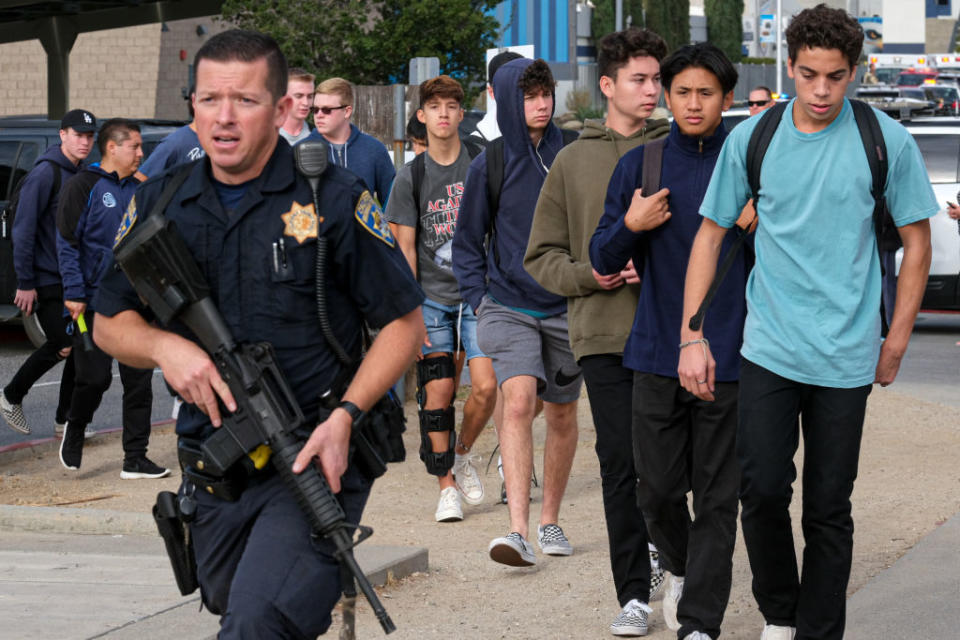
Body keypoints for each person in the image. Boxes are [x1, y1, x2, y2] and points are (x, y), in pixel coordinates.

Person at [92, 30, 424, 638]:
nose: (224, 117)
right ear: (190, 106)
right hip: (215, 470)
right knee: (230, 598)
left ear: (280, 109)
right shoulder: (163, 204)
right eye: (209, 99)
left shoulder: (333, 200)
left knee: (256, 622)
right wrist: (167, 348)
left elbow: (405, 326)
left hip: (314, 454)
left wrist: (347, 415)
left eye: (244, 101)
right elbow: (108, 322)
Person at [679, 6, 935, 639]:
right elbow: (710, 235)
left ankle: (818, 632)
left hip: (847, 354)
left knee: (827, 508)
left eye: (836, 77)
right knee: (762, 492)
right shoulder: (754, 138)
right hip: (769, 345)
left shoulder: (885, 141)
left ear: (855, 72)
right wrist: (692, 334)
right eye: (809, 74)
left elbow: (917, 242)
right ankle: (781, 613)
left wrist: (896, 339)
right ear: (789, 66)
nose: (822, 91)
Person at [591, 42, 742, 640]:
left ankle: (700, 622)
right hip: (654, 352)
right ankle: (677, 566)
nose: (693, 103)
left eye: (706, 92)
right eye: (682, 91)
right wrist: (630, 225)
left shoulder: (748, 159)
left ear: (726, 98)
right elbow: (603, 257)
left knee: (717, 497)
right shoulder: (642, 165)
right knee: (653, 491)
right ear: (669, 96)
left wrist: (758, 222)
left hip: (731, 355)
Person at [524, 26, 670, 637]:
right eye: (639, 79)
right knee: (618, 462)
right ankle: (634, 591)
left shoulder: (684, 147)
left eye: (657, 78)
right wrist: (595, 272)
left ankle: (676, 559)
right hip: (603, 334)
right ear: (606, 85)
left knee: (668, 467)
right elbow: (540, 258)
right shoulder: (571, 159)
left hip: (673, 334)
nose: (652, 90)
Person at [452, 58, 581, 567]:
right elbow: (466, 242)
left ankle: (550, 521)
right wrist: (479, 301)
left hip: (567, 305)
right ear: (509, 100)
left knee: (565, 411)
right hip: (505, 304)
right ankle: (518, 530)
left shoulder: (573, 150)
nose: (542, 104)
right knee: (521, 399)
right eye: (530, 96)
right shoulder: (493, 161)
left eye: (546, 93)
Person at [384, 75, 496, 523]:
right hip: (430, 298)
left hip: (477, 292)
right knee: (439, 390)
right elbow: (405, 250)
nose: (445, 113)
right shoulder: (410, 176)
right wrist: (410, 318)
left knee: (486, 387)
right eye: (436, 106)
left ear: (460, 113)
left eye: (453, 105)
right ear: (423, 116)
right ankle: (445, 483)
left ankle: (462, 453)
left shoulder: (481, 163)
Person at [54, 118, 169, 478]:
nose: (140, 153)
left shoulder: (141, 188)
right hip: (91, 299)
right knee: (95, 378)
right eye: (134, 146)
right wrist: (73, 292)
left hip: (135, 301)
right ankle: (75, 426)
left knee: (139, 381)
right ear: (112, 148)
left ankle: (135, 458)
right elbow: (67, 243)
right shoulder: (82, 186)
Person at [0, 109, 96, 436]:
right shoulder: (45, 174)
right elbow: (23, 231)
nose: (85, 141)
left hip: (72, 280)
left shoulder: (79, 173)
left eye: (89, 136)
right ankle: (11, 395)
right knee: (63, 342)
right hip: (47, 280)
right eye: (78, 135)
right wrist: (25, 282)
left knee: (80, 346)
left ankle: (65, 421)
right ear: (63, 135)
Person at [305, 77, 396, 205]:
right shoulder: (300, 151)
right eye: (315, 109)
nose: (319, 115)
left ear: (347, 111)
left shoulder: (374, 150)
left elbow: (392, 205)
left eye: (327, 110)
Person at [134, 96, 205, 182]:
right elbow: (141, 179)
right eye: (209, 100)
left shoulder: (219, 141)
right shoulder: (175, 143)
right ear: (194, 102)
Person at [469, 50, 524, 144]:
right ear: (491, 92)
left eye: (523, 86)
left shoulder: (551, 139)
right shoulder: (475, 146)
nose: (517, 93)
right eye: (508, 86)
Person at [279, 67, 315, 145]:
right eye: (299, 96)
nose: (305, 103)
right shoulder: (266, 135)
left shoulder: (318, 136)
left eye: (310, 96)